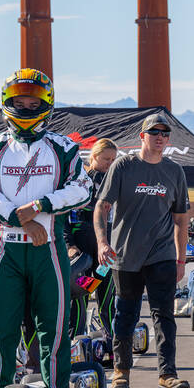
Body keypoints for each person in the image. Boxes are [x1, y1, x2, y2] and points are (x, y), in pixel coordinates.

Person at [0, 68, 93, 388]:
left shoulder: (64, 148)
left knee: (53, 331)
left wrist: (39, 206)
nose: (25, 108)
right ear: (6, 103)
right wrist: (20, 219)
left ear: (47, 104)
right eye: (19, 102)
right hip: (3, 249)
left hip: (49, 249)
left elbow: (82, 189)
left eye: (33, 102)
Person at [95, 114, 191, 388]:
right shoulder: (124, 166)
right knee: (126, 314)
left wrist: (181, 259)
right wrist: (102, 242)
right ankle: (121, 370)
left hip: (162, 254)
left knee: (164, 315)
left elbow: (181, 219)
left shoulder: (174, 171)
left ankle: (167, 374)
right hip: (125, 255)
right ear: (142, 136)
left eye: (164, 133)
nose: (160, 137)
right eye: (154, 132)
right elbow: (102, 206)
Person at [66, 138, 118, 340]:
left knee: (107, 297)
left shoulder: (115, 182)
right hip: (84, 257)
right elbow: (64, 220)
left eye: (113, 160)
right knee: (80, 297)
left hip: (105, 256)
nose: (110, 163)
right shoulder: (80, 182)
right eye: (106, 159)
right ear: (94, 156)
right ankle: (76, 342)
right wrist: (70, 245)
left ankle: (111, 343)